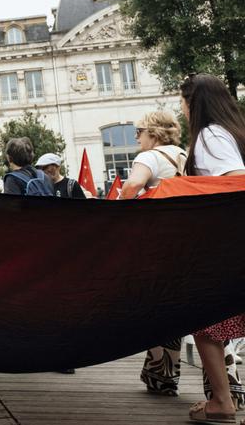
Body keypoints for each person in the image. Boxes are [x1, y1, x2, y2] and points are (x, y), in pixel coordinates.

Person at [180, 74, 245, 423]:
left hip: (227, 243)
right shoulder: (235, 132)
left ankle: (221, 401)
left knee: (205, 319)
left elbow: (237, 179)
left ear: (194, 103)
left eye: (183, 102)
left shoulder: (211, 135)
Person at [111, 110, 187, 396]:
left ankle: (161, 375)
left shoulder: (149, 157)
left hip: (158, 242)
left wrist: (115, 210)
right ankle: (227, 381)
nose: (136, 137)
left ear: (153, 133)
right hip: (187, 240)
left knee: (156, 307)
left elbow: (132, 185)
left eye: (139, 131)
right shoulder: (184, 154)